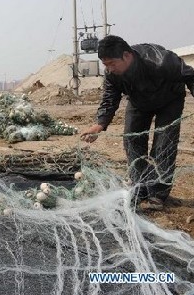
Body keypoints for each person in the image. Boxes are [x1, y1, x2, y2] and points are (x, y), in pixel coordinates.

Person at [81, 35, 194, 209]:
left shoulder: (161, 61)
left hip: (169, 100)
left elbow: (190, 75)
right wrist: (100, 124)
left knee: (164, 144)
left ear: (127, 56)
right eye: (106, 65)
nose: (109, 69)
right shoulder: (112, 74)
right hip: (138, 101)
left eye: (112, 63)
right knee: (131, 140)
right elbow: (110, 98)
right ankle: (140, 187)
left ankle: (157, 193)